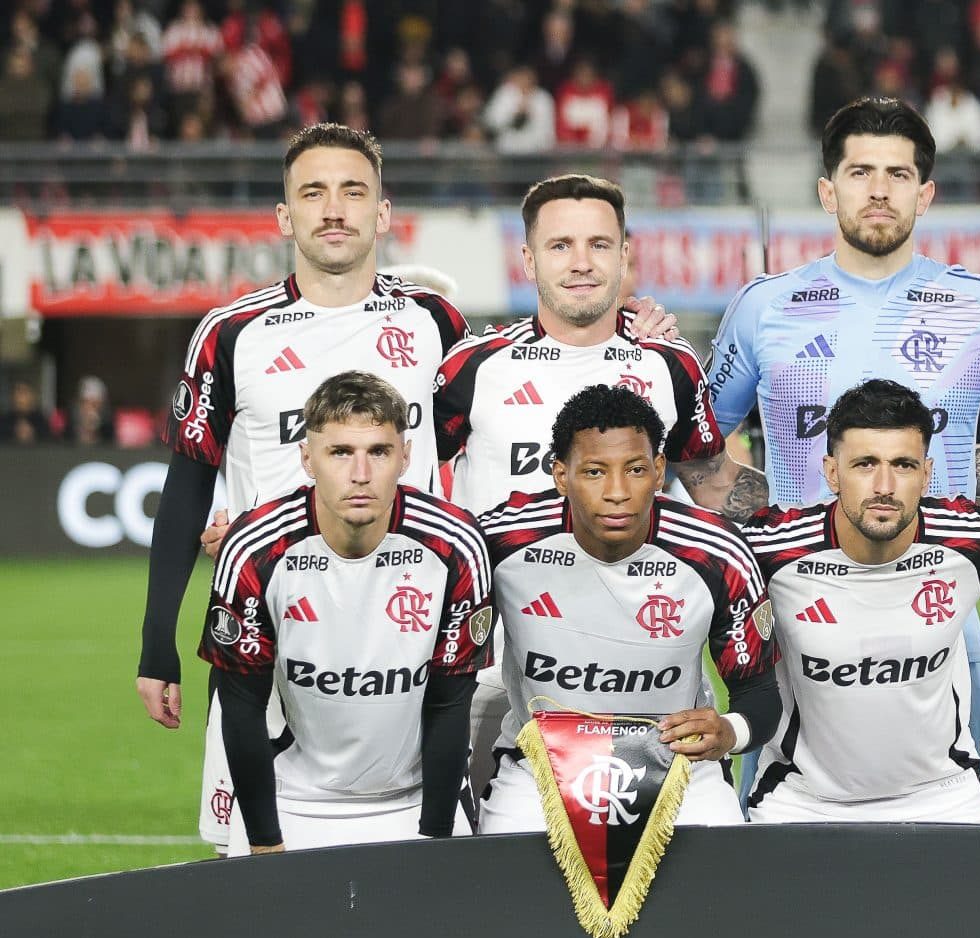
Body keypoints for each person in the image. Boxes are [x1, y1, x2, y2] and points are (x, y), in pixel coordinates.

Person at [700, 96, 980, 810]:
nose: (878, 189)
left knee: (956, 830)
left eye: (898, 174)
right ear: (826, 190)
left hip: (938, 605)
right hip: (799, 602)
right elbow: (697, 449)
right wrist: (771, 509)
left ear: (925, 193)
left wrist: (964, 475)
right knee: (780, 822)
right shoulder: (764, 307)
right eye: (860, 171)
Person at [138, 123, 467, 855]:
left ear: (383, 213)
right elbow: (189, 481)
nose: (334, 209)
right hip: (271, 632)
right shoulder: (231, 332)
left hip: (408, 627)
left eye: (354, 192)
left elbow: (491, 439)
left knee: (426, 860)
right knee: (254, 867)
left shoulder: (435, 323)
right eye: (312, 193)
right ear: (284, 217)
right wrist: (156, 639)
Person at [433, 173, 734, 819]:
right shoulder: (473, 366)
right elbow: (403, 485)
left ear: (626, 255)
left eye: (599, 244)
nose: (580, 262)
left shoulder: (668, 363)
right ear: (528, 259)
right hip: (497, 672)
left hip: (646, 671)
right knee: (501, 879)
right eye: (560, 244)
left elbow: (716, 488)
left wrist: (820, 513)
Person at [198, 371, 488, 855]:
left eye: (378, 451)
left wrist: (435, 839)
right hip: (292, 798)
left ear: (406, 457)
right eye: (340, 453)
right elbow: (242, 705)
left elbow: (447, 703)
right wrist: (266, 841)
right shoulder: (253, 547)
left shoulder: (455, 544)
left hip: (412, 800)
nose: (360, 473)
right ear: (307, 459)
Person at [741, 381, 980, 822]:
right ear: (832, 472)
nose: (884, 486)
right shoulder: (770, 551)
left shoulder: (970, 541)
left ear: (925, 475)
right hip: (803, 804)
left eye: (902, 465)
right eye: (865, 464)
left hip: (944, 800)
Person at [477, 386, 780, 832]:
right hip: (538, 769)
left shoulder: (717, 552)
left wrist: (729, 732)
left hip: (681, 767)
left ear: (659, 471)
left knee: (723, 879)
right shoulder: (498, 541)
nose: (617, 492)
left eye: (635, 470)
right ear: (561, 475)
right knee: (506, 884)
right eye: (595, 472)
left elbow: (759, 694)